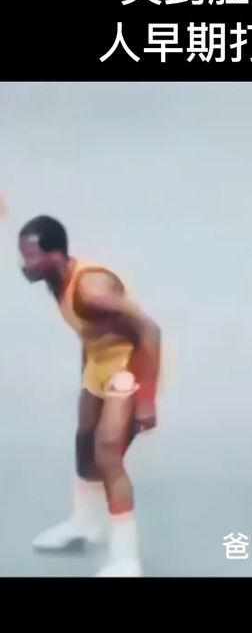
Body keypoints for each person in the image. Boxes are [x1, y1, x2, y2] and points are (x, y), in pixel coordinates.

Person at [19, 215, 161, 575]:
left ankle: (126, 559)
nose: (25, 265)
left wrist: (146, 399)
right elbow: (90, 332)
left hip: (128, 366)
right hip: (98, 365)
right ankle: (86, 525)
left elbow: (149, 331)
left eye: (32, 256)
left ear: (55, 254)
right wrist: (88, 381)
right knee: (84, 443)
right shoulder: (58, 282)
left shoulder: (92, 290)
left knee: (107, 454)